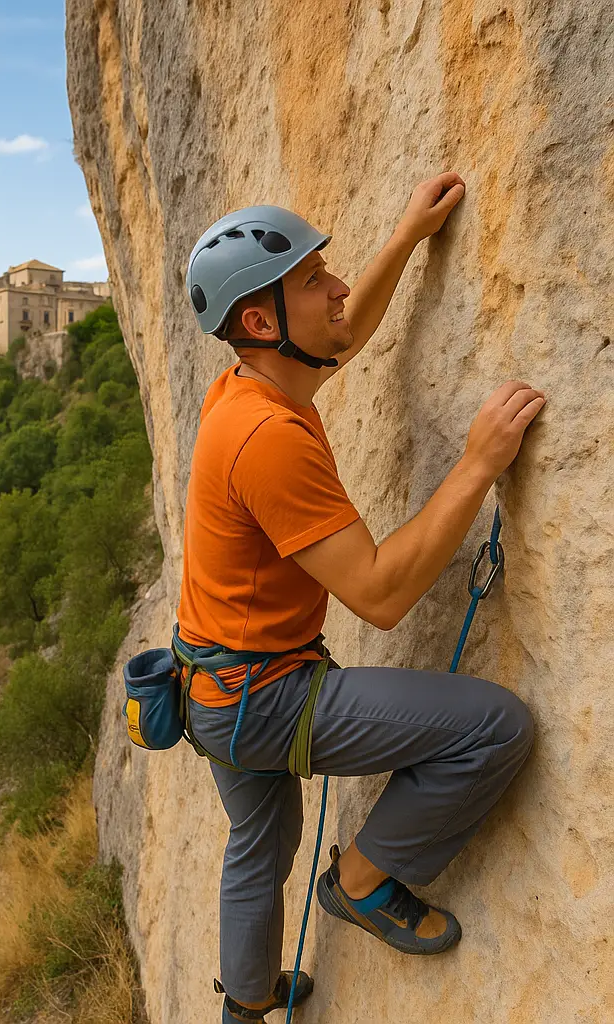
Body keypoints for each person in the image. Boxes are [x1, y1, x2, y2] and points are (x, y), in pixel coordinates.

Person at [176, 173, 544, 1023]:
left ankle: (245, 1006)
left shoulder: (250, 386)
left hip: (210, 687)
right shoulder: (266, 438)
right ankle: (363, 882)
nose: (336, 288)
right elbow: (380, 593)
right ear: (263, 322)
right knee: (496, 727)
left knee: (259, 846)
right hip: (264, 699)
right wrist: (479, 462)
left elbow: (338, 338)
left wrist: (406, 238)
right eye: (313, 280)